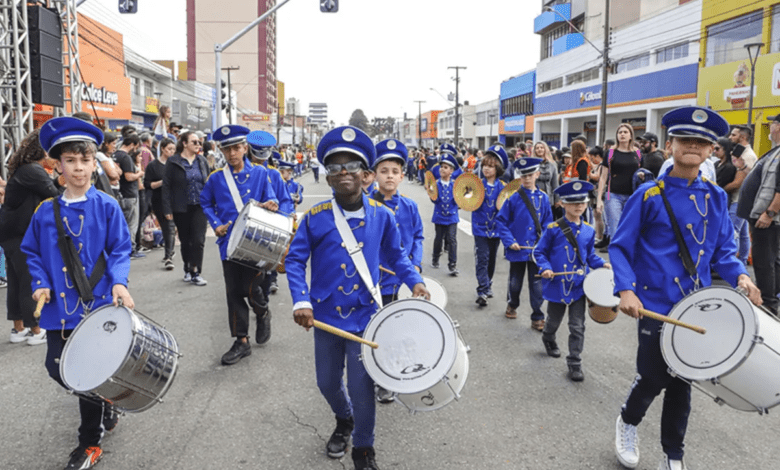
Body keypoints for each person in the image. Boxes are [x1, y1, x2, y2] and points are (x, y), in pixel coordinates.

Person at [610, 107, 762, 470]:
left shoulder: (716, 197)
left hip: (697, 306)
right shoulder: (648, 195)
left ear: (711, 151)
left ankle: (673, 454)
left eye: (701, 142)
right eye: (685, 139)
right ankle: (628, 421)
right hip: (654, 303)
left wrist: (741, 276)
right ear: (671, 146)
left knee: (683, 382)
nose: (693, 146)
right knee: (652, 378)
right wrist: (626, 289)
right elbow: (619, 247)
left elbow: (724, 250)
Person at [286, 126, 428, 470]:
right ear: (328, 177)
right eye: (335, 167)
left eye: (351, 166)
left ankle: (364, 448)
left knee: (362, 388)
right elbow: (294, 260)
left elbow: (397, 257)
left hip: (366, 318)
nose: (343, 172)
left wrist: (415, 281)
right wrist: (301, 300)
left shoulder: (383, 215)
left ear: (365, 175)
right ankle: (343, 418)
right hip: (325, 317)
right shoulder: (315, 217)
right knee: (327, 383)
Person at [23, 117, 134, 470]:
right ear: (58, 165)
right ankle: (105, 398)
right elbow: (31, 252)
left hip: (98, 304)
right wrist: (39, 282)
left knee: (86, 369)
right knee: (56, 367)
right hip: (58, 309)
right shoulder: (45, 211)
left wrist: (119, 281)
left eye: (85, 160)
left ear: (93, 163)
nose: (79, 168)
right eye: (70, 161)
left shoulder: (107, 205)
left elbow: (121, 249)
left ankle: (89, 443)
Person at [201, 125, 279, 365]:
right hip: (229, 243)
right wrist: (216, 225)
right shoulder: (216, 178)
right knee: (233, 292)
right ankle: (241, 341)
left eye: (236, 148)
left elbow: (271, 197)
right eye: (227, 149)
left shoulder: (260, 173)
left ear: (245, 148)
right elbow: (206, 203)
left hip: (256, 241)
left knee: (252, 286)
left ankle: (262, 311)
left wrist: (272, 204)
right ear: (221, 151)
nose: (232, 153)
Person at [534, 181, 609, 382]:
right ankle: (548, 337)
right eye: (573, 202)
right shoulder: (553, 229)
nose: (579, 206)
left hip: (578, 286)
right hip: (557, 285)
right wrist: (545, 267)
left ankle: (574, 362)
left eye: (582, 202)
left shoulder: (588, 230)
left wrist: (602, 264)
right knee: (553, 321)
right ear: (563, 204)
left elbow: (589, 256)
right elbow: (539, 252)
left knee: (577, 326)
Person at [370, 139, 424, 404]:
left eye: (395, 171)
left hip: (402, 281)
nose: (389, 176)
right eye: (384, 171)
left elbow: (419, 236)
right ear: (374, 175)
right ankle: (375, 375)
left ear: (402, 176)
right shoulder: (366, 204)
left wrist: (416, 264)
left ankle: (390, 377)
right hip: (375, 281)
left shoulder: (410, 207)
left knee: (397, 331)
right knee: (375, 331)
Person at [0, 129, 59, 345]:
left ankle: (19, 329)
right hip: (21, 234)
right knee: (28, 281)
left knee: (17, 282)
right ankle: (36, 329)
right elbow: (55, 194)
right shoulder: (33, 170)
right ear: (43, 150)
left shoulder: (25, 169)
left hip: (11, 232)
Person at [497, 157, 553, 329]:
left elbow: (548, 223)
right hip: (518, 248)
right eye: (523, 176)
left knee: (537, 285)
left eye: (530, 175)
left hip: (537, 250)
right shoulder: (513, 198)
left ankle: (537, 315)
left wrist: (544, 243)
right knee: (515, 282)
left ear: (537, 174)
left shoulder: (543, 198)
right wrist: (509, 241)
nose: (527, 178)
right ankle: (512, 304)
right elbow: (501, 221)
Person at [737, 115, 780, 314]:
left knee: (764, 260)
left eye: (773, 124)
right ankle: (771, 297)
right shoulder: (776, 151)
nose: (770, 127)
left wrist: (770, 213)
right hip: (762, 215)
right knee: (771, 259)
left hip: (767, 217)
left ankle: (768, 303)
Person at [162, 131, 210, 286]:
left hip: (199, 206)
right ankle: (187, 268)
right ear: (184, 143)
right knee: (186, 241)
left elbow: (209, 182)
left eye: (199, 142)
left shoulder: (201, 160)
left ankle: (196, 272)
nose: (198, 145)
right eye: (194, 142)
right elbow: (166, 186)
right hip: (181, 207)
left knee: (198, 240)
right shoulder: (173, 161)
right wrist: (167, 209)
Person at [472, 145, 508, 307]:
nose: (486, 168)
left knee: (492, 260)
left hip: (496, 230)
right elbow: (466, 200)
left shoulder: (503, 187)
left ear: (498, 169)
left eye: (491, 166)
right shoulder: (477, 184)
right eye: (484, 165)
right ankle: (482, 290)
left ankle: (488, 283)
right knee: (482, 258)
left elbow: (508, 209)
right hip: (480, 229)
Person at [596, 123, 641, 252]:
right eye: (620, 132)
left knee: (630, 229)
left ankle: (626, 257)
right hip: (613, 195)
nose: (622, 134)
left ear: (631, 135)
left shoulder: (637, 153)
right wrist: (599, 199)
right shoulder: (610, 152)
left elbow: (641, 171)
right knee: (615, 230)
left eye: (625, 132)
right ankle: (616, 258)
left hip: (632, 196)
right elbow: (603, 177)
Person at [144, 137, 177, 270]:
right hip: (159, 200)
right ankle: (170, 252)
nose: (172, 151)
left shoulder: (176, 164)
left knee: (171, 227)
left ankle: (169, 255)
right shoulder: (153, 165)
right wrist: (163, 182)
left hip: (174, 200)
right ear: (162, 149)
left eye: (174, 149)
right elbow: (148, 184)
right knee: (166, 227)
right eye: (169, 149)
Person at [113, 133, 145, 259]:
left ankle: (123, 248)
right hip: (130, 194)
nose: (135, 150)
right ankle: (130, 249)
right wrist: (139, 174)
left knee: (123, 224)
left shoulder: (114, 155)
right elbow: (129, 176)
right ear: (132, 145)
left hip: (119, 193)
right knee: (132, 224)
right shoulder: (125, 157)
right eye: (135, 147)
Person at [430, 152, 460, 276]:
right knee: (439, 238)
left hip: (452, 216)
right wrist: (431, 193)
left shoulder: (456, 185)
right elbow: (434, 200)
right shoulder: (436, 184)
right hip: (439, 216)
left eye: (445, 167)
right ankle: (435, 257)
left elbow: (459, 200)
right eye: (441, 167)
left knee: (452, 239)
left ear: (451, 171)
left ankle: (452, 264)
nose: (442, 169)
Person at [723, 141, 753, 266]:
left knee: (733, 232)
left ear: (742, 136)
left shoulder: (747, 156)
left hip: (739, 200)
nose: (731, 137)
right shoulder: (742, 156)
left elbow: (738, 182)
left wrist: (720, 189)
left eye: (734, 135)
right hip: (740, 200)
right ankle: (742, 262)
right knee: (742, 233)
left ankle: (732, 264)